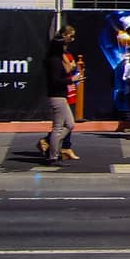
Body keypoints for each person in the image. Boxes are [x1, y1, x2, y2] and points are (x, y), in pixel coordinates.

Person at [39, 25, 77, 167]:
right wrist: (72, 80)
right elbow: (56, 81)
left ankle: (51, 144)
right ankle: (53, 155)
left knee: (70, 124)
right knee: (58, 127)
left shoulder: (55, 59)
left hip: (60, 95)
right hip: (57, 95)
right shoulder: (54, 61)